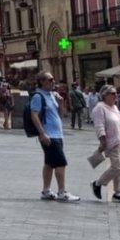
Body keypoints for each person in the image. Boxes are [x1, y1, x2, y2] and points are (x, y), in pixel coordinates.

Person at [30, 71, 80, 201]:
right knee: (60, 163)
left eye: (53, 79)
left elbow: (63, 114)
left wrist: (61, 102)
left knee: (49, 163)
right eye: (50, 79)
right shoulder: (38, 96)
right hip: (49, 135)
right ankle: (62, 192)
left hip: (57, 134)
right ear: (42, 81)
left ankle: (46, 191)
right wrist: (42, 133)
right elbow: (34, 115)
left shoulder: (52, 95)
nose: (53, 82)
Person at [91, 84, 120, 202]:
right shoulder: (99, 108)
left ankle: (118, 192)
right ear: (104, 95)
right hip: (111, 142)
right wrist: (102, 139)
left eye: (116, 93)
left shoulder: (114, 107)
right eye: (113, 93)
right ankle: (97, 183)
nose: (116, 95)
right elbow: (99, 125)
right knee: (117, 167)